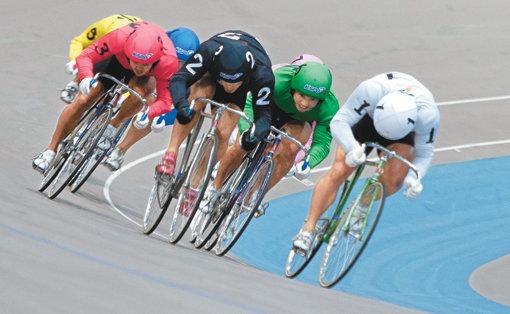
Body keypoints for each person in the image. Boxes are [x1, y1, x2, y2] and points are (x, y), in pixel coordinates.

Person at [292, 72, 440, 251]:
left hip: (401, 135)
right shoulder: (371, 90)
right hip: (367, 120)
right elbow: (339, 121)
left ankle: (362, 205)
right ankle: (308, 229)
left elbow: (424, 153)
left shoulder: (427, 115)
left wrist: (413, 177)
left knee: (394, 181)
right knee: (340, 170)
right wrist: (352, 147)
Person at [32, 21, 179, 173]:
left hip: (145, 76)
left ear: (155, 60)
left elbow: (165, 101)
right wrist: (86, 76)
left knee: (141, 95)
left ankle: (112, 127)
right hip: (117, 59)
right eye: (135, 61)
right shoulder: (119, 38)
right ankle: (50, 150)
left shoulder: (168, 62)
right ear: (129, 51)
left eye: (145, 64)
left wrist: (147, 113)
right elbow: (86, 56)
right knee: (83, 100)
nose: (139, 67)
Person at [201, 60, 340, 216]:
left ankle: (255, 194)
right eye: (302, 95)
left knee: (293, 147)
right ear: (293, 88)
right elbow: (249, 103)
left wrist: (307, 163)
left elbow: (322, 142)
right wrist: (247, 131)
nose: (305, 103)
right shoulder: (278, 81)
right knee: (243, 144)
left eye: (312, 100)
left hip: (296, 122)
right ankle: (214, 188)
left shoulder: (329, 107)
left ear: (321, 100)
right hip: (267, 108)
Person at [155, 30, 275, 181]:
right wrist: (182, 105)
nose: (229, 87)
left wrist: (254, 135)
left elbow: (264, 115)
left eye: (234, 82)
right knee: (197, 98)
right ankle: (171, 153)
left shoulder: (262, 73)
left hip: (240, 92)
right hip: (211, 76)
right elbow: (179, 79)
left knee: (224, 131)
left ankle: (195, 183)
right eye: (227, 81)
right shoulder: (209, 51)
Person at [103, 27, 200, 171]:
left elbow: (183, 110)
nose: (179, 66)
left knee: (154, 111)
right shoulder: (158, 48)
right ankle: (106, 110)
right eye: (177, 60)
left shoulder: (194, 72)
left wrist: (161, 118)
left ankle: (120, 150)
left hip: (165, 85)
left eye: (184, 63)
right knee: (142, 85)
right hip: (151, 68)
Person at [60, 14, 142, 104]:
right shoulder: (105, 26)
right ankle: (75, 83)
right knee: (92, 56)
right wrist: (74, 60)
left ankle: (116, 97)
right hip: (111, 40)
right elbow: (79, 41)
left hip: (130, 51)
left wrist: (126, 96)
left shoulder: (139, 44)